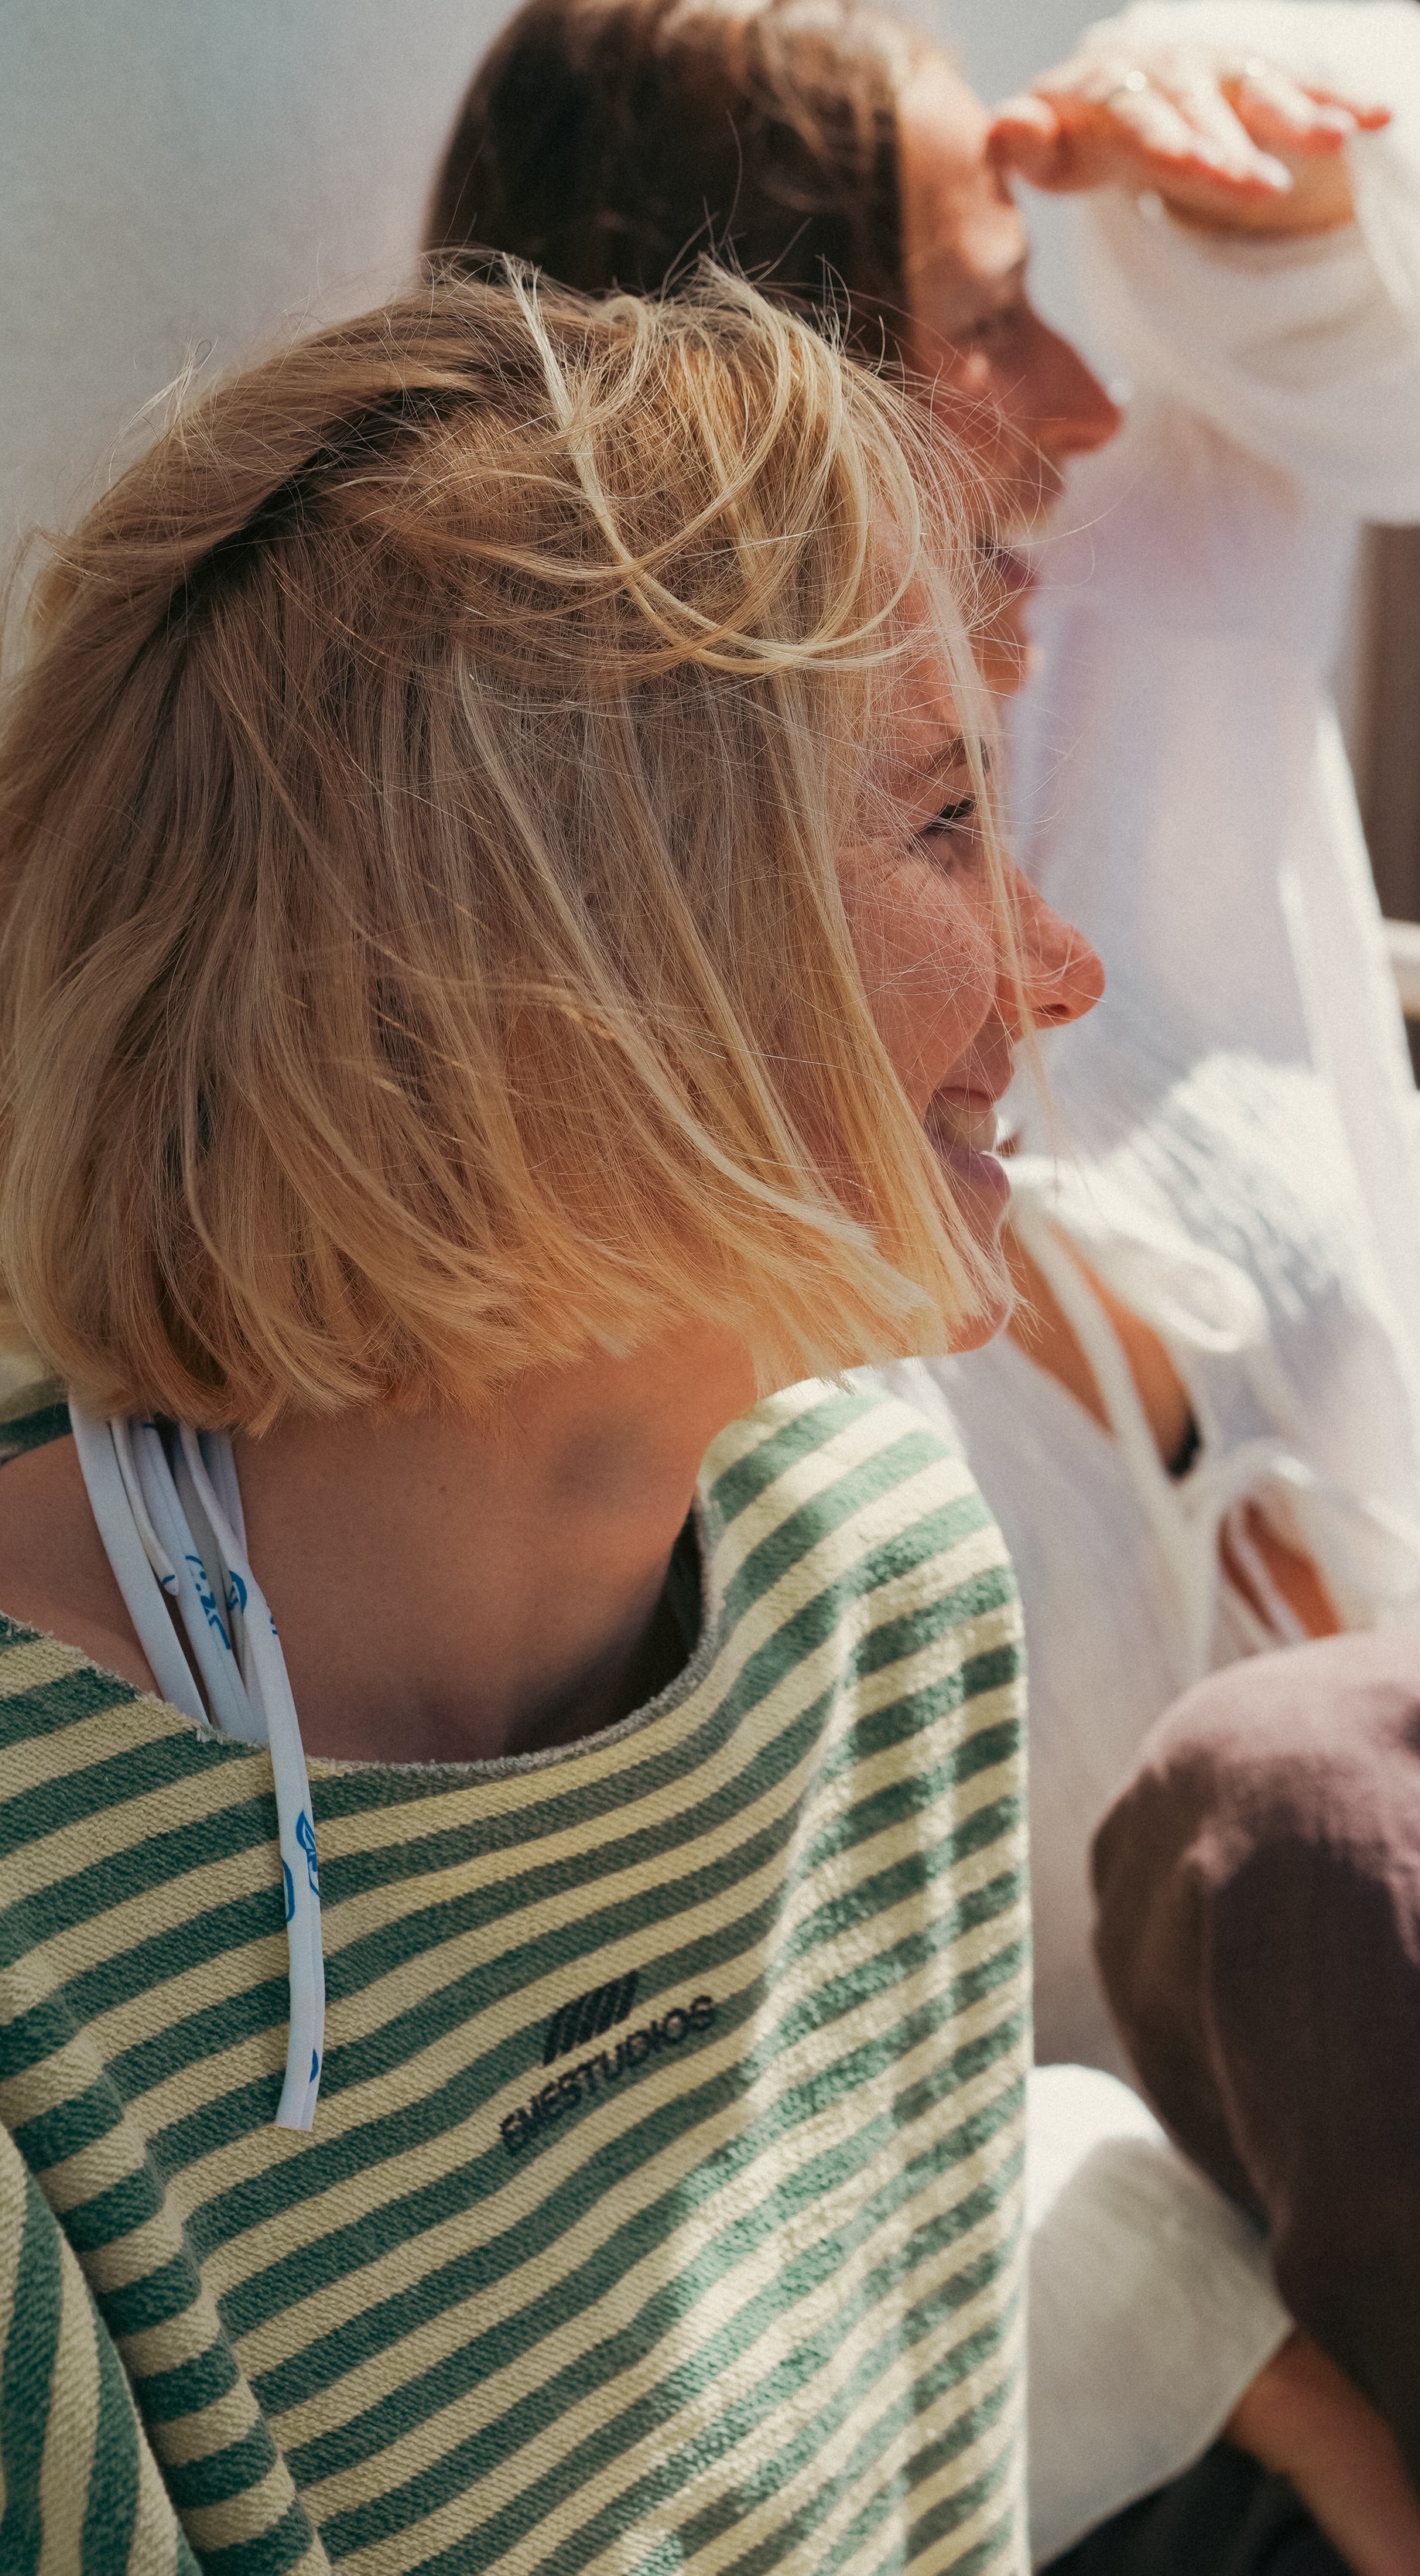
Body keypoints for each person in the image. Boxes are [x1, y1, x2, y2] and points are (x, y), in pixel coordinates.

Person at [428, 7, 1420, 2570]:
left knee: (1311, 1814)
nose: (1076, 397)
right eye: (984, 310)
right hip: (1271, 2156)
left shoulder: (1168, 610)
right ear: (758, 397)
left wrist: (1257, 153)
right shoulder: (609, 1207)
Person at [0, 264, 1106, 2573]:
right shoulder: (37, 1957)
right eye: (937, 825)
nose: (1053, 960)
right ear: (577, 959)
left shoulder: (876, 1574)